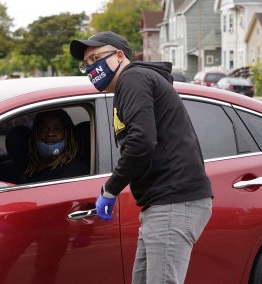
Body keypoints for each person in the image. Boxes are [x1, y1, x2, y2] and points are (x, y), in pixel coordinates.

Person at [70, 31, 213, 283]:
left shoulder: (133, 79)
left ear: (119, 55)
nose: (92, 67)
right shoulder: (130, 85)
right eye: (87, 64)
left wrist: (110, 190)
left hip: (174, 200)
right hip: (160, 204)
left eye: (96, 58)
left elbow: (141, 142)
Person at [23, 109, 89, 183]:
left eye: (57, 129)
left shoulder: (77, 172)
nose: (50, 134)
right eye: (44, 129)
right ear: (35, 134)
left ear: (67, 135)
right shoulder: (26, 168)